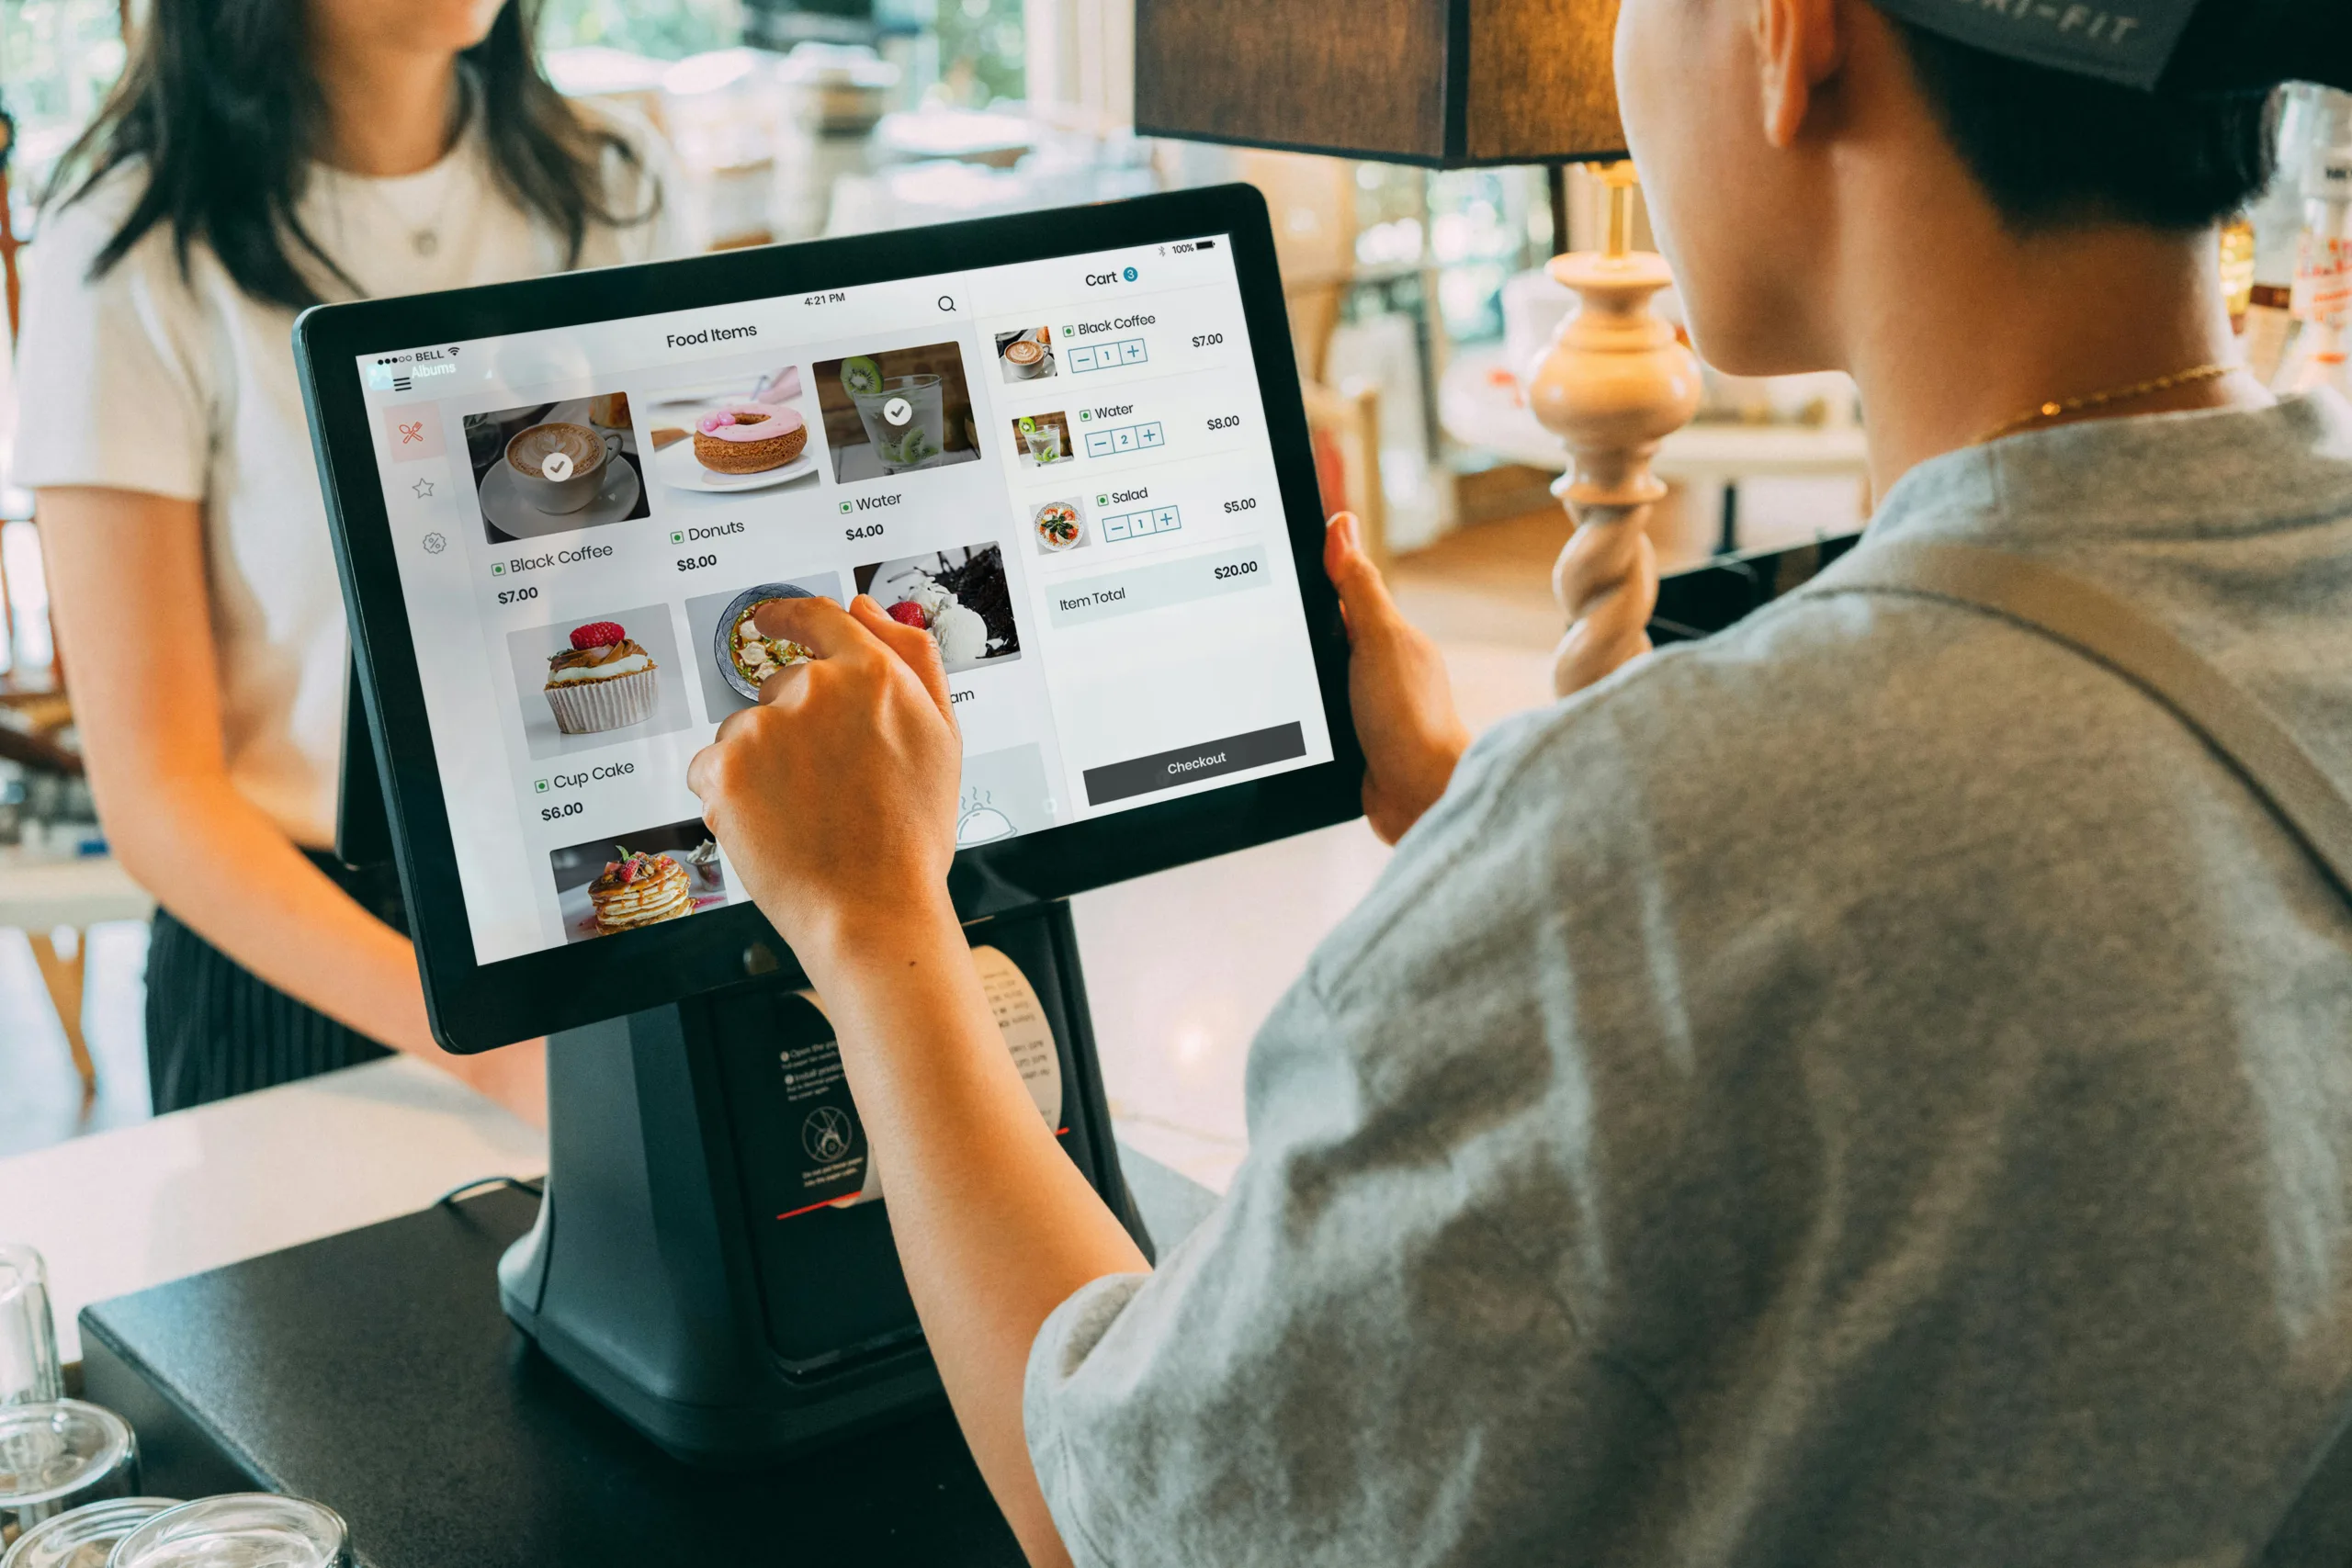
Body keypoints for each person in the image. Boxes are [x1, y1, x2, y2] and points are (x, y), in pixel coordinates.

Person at [692, 1, 2352, 1563]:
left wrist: (877, 925)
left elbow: (1132, 1506)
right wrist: (1499, 814)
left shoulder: (1680, 829)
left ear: (1791, 38)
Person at [14, 0, 675, 1121]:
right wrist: (497, 1058)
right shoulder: (128, 245)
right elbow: (161, 797)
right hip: (301, 957)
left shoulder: (609, 177)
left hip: (599, 888)